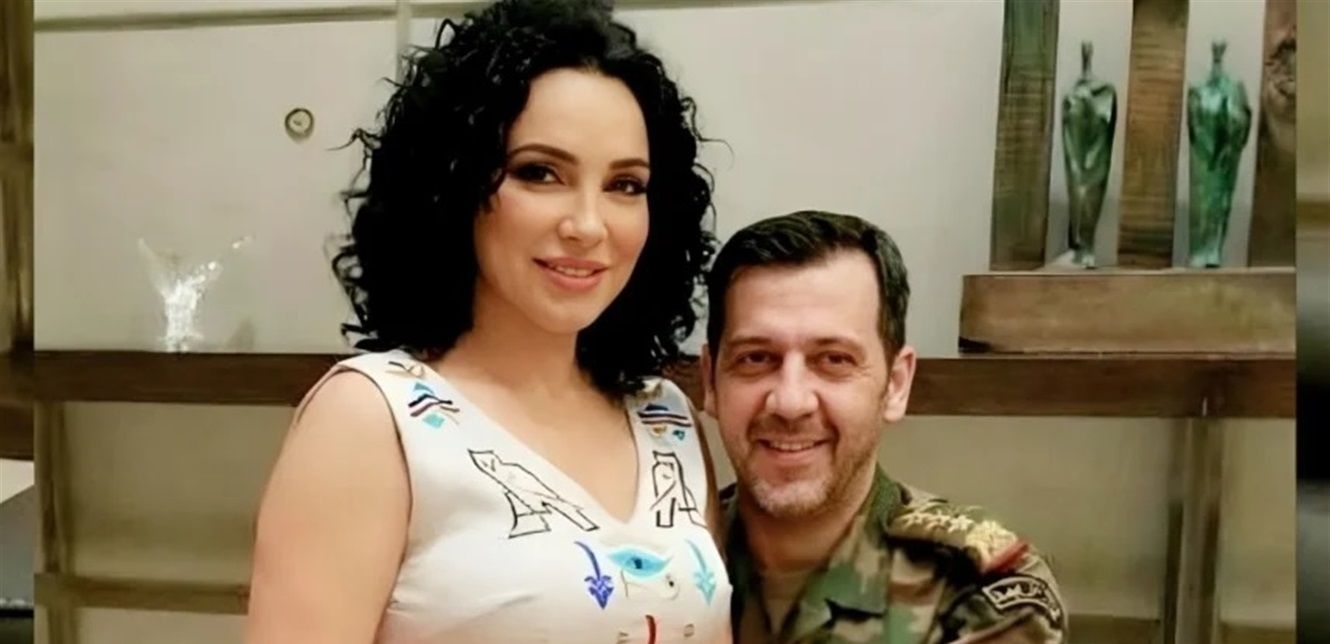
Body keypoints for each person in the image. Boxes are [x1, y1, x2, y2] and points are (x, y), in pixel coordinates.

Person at [245, 1, 732, 642]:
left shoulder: (666, 418)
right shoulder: (372, 419)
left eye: (626, 185)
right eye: (540, 173)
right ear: (452, 184)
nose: (588, 225)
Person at [699, 211, 1066, 643]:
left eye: (834, 360)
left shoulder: (975, 587)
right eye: (756, 358)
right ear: (710, 382)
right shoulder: (660, 559)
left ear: (896, 384)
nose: (791, 402)